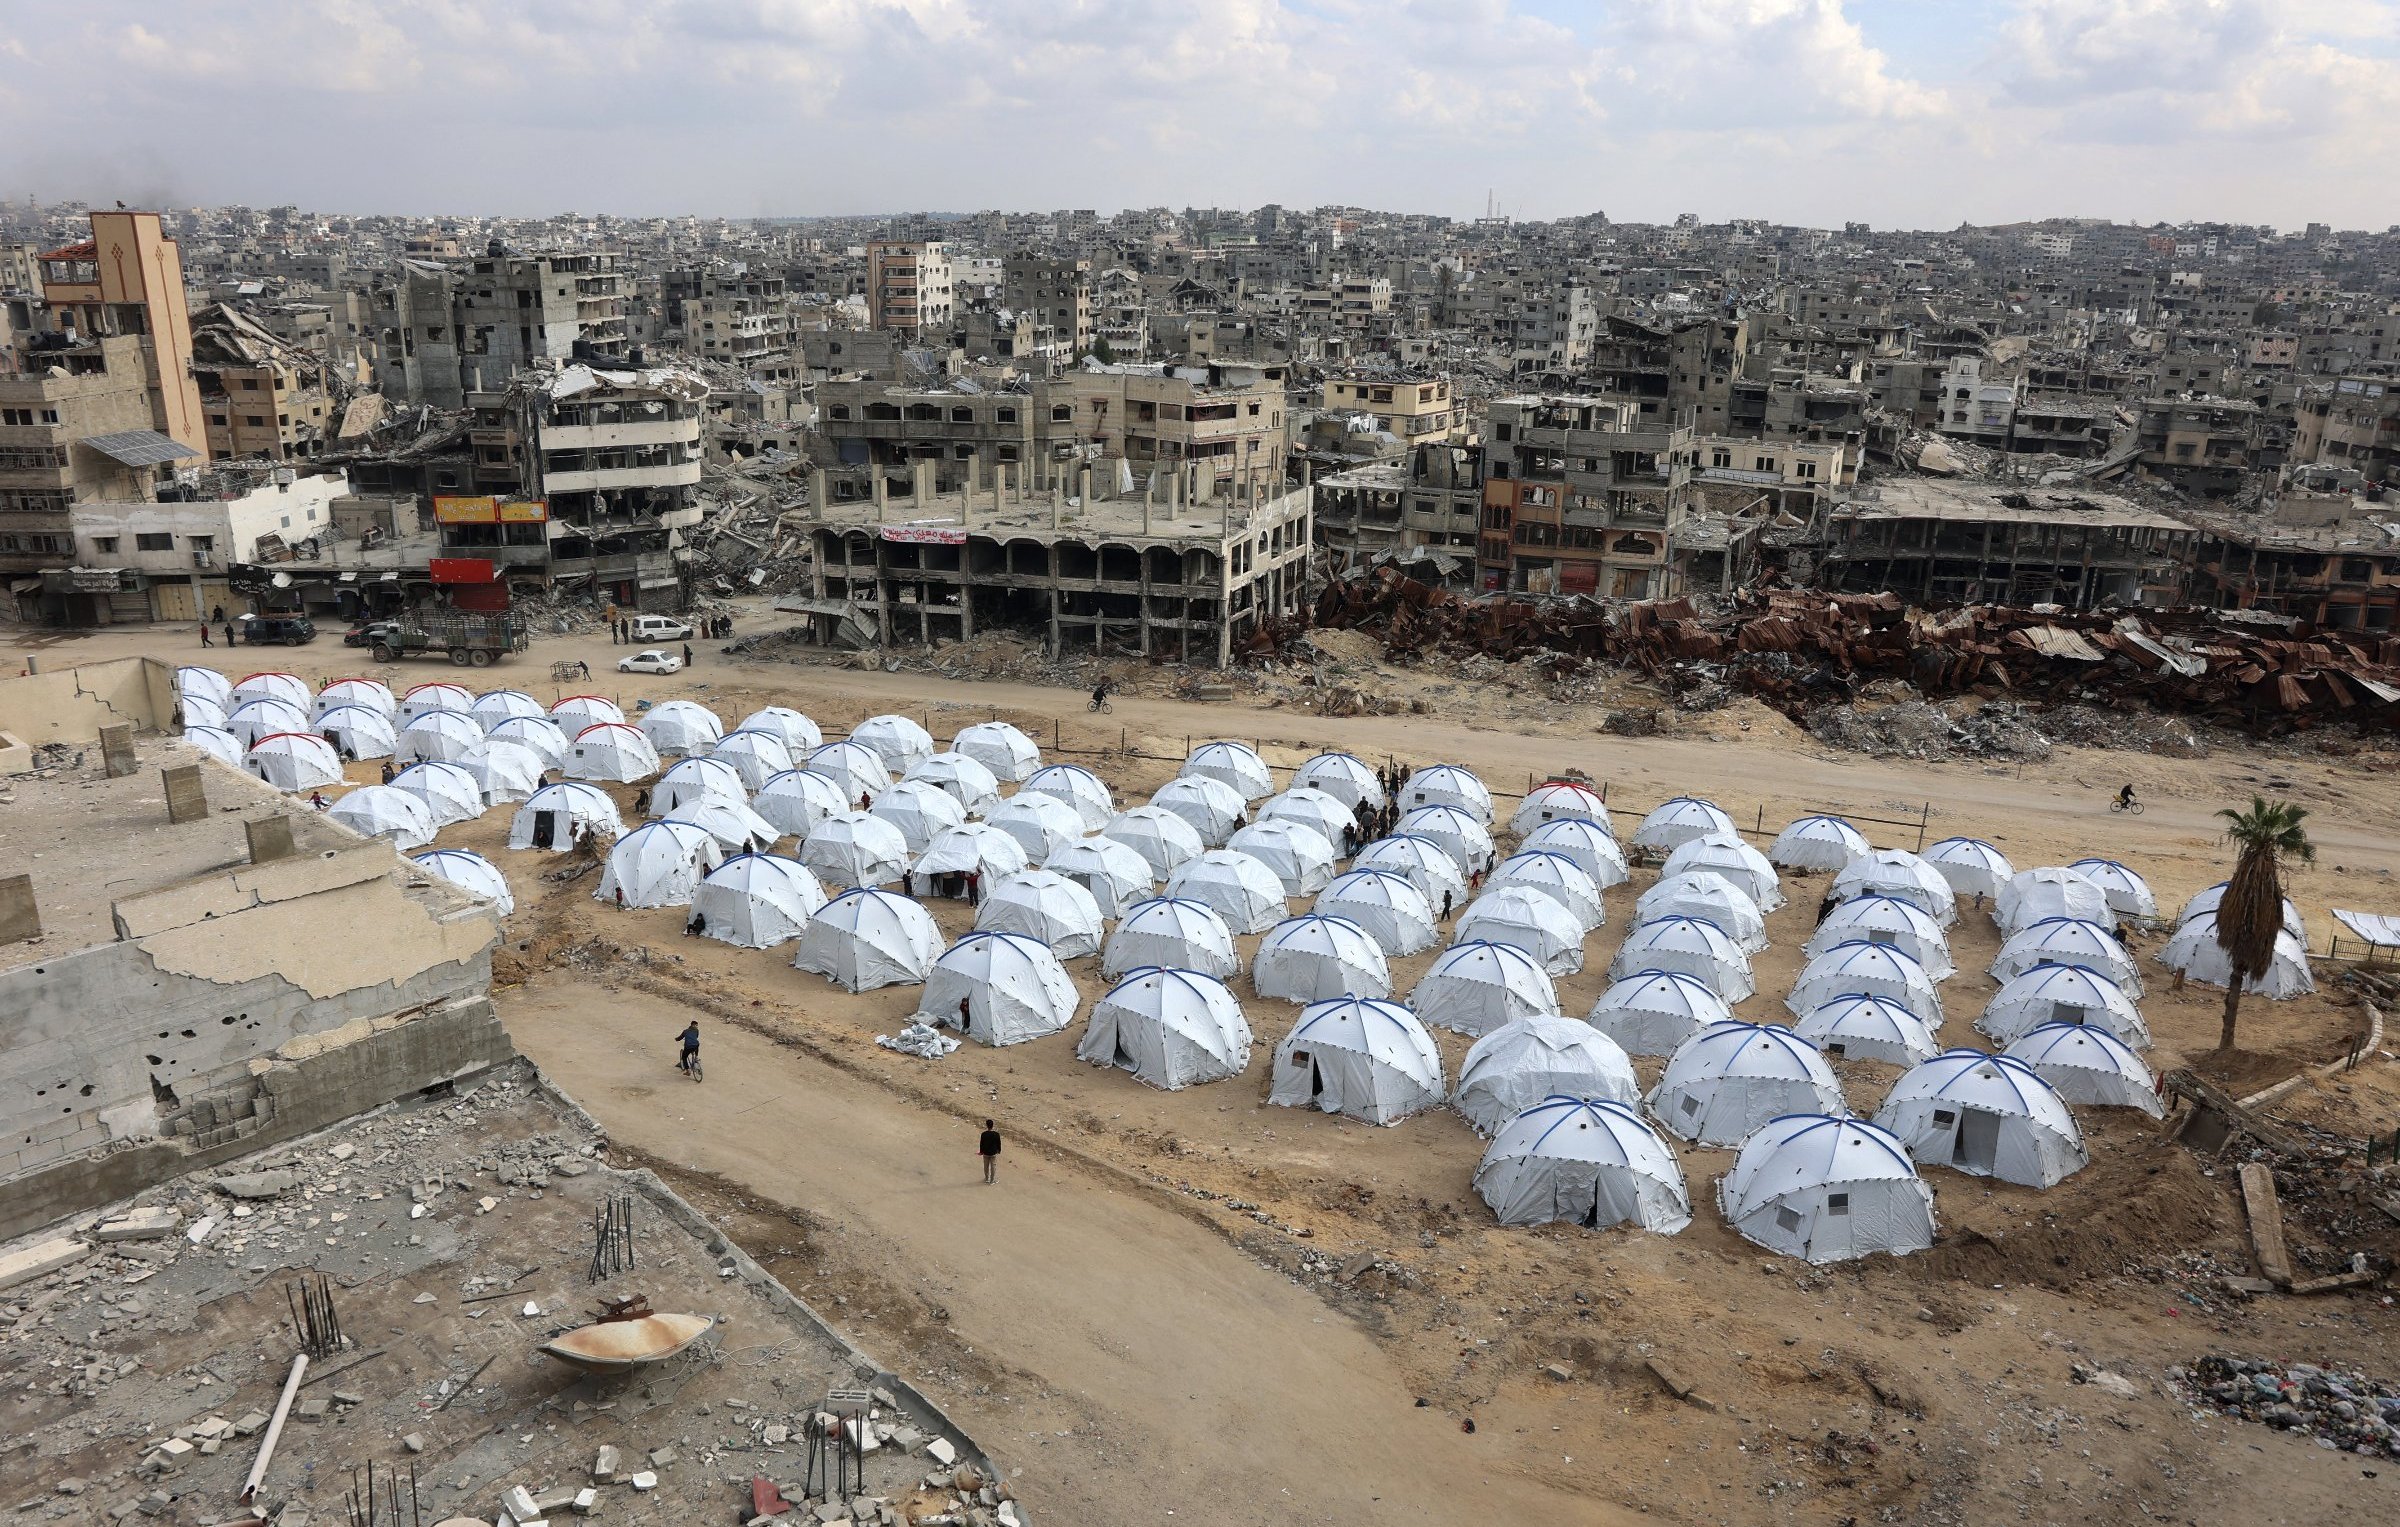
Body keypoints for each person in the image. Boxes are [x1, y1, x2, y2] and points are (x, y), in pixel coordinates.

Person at [977, 1119, 1002, 1185]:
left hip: (985, 1153)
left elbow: (981, 1144)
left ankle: (987, 1178)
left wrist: (981, 1151)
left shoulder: (983, 1134)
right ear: (992, 1126)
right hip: (993, 1153)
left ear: (986, 1125)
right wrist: (999, 1150)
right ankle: (992, 1180)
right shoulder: (996, 1134)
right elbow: (998, 1143)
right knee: (993, 1166)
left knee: (986, 1166)